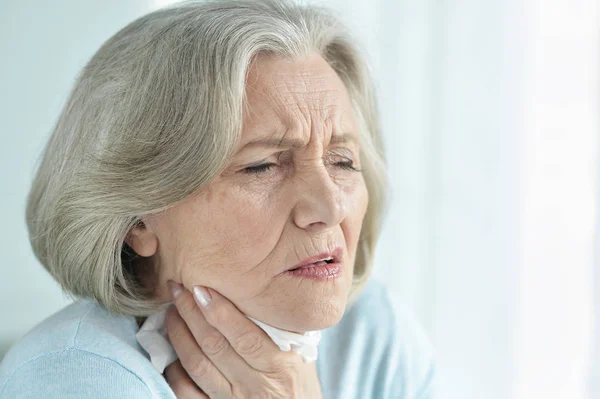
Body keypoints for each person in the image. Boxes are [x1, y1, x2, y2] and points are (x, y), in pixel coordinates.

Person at [0, 0, 434, 397]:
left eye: (341, 161)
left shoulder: (371, 333)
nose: (330, 208)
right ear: (138, 219)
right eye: (262, 166)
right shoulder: (73, 376)